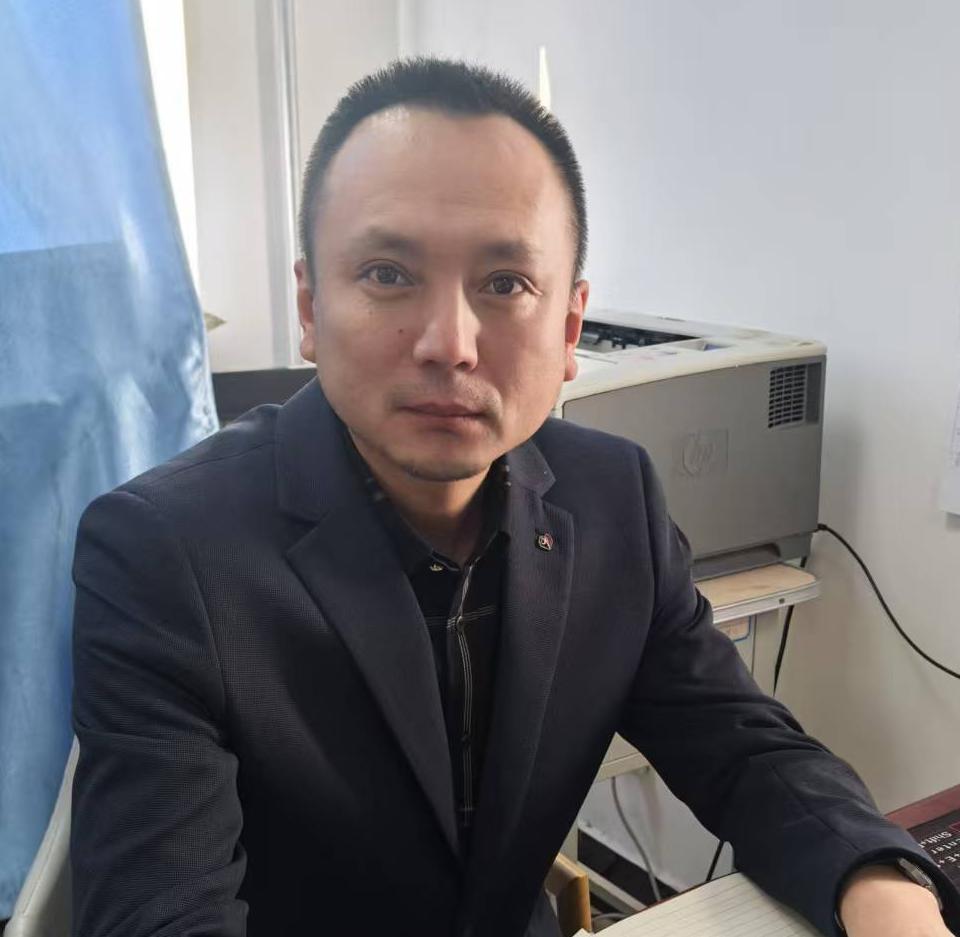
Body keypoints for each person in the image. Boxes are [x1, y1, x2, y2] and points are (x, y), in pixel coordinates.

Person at [70, 57, 958, 937]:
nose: (449, 343)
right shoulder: (165, 552)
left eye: (505, 284)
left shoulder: (613, 501)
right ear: (309, 307)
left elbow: (744, 748)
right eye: (387, 272)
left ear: (570, 327)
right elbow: (161, 910)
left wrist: (882, 884)